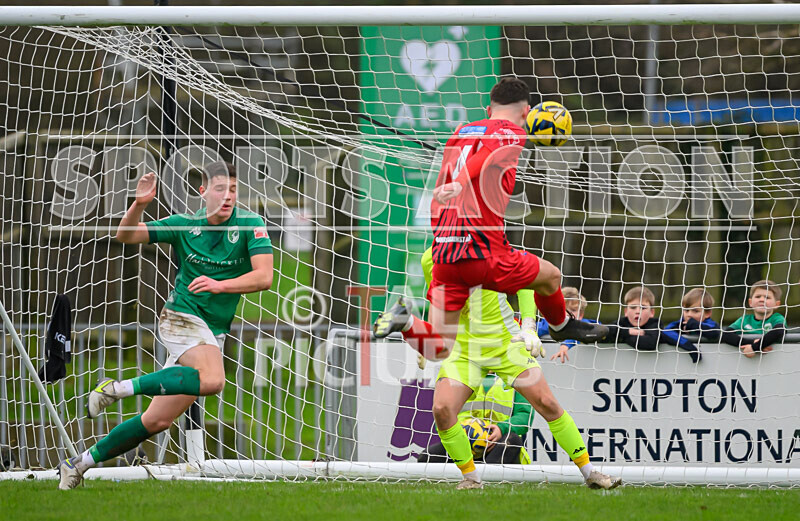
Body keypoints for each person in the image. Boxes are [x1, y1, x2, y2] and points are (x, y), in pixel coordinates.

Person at [57, 162, 274, 490]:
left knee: (157, 420)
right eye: (219, 189)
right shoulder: (185, 225)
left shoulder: (250, 224)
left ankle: (79, 463)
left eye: (232, 190)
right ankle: (118, 388)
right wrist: (139, 204)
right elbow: (125, 235)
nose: (227, 196)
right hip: (180, 318)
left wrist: (219, 285)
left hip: (210, 333)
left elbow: (264, 277)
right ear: (202, 192)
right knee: (214, 380)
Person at [374, 247, 621, 490]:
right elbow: (440, 304)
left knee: (546, 402)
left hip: (504, 342)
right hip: (463, 348)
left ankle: (590, 473)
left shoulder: (490, 246)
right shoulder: (431, 259)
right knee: (442, 409)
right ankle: (471, 479)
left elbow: (527, 281)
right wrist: (425, 339)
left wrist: (528, 326)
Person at [427, 76, 608, 359]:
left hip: (446, 253)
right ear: (527, 112)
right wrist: (461, 181)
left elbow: (452, 181)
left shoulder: (461, 133)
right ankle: (560, 325)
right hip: (484, 252)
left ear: (489, 109)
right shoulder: (511, 132)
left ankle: (404, 322)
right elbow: (484, 157)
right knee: (550, 276)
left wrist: (458, 187)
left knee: (437, 347)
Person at [417, 373, 533, 465]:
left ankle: (484, 478)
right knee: (426, 458)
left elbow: (525, 417)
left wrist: (501, 428)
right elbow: (442, 414)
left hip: (498, 443)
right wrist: (458, 430)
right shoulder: (459, 376)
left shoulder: (516, 377)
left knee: (512, 440)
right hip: (462, 444)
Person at [605, 287, 701, 363]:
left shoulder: (655, 324)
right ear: (626, 311)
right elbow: (606, 331)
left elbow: (650, 343)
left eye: (643, 308)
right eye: (633, 307)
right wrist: (629, 331)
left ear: (652, 312)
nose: (637, 311)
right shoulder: (622, 322)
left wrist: (622, 337)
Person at [726, 280, 786, 357]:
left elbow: (779, 331)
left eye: (767, 297)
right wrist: (751, 343)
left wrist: (755, 347)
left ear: (776, 304)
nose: (761, 300)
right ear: (750, 302)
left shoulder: (777, 318)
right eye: (758, 296)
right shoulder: (744, 320)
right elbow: (726, 335)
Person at [543, 287, 597, 364]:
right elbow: (536, 329)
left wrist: (565, 345)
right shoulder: (549, 323)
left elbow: (578, 333)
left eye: (573, 310)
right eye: (563, 309)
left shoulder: (585, 324)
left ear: (581, 314)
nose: (567, 313)